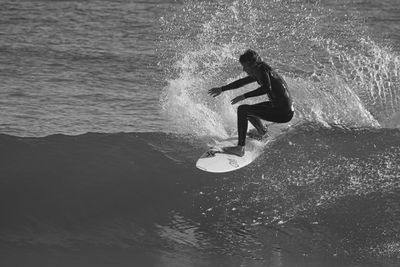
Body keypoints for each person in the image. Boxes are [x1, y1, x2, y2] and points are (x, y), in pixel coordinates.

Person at [208, 49, 294, 157]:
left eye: (244, 66)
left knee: (243, 109)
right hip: (283, 109)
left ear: (251, 64)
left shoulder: (261, 71)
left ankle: (240, 148)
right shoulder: (261, 70)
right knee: (249, 110)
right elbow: (242, 82)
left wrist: (244, 96)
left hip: (283, 112)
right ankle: (262, 132)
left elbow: (267, 88)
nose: (243, 69)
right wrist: (222, 89)